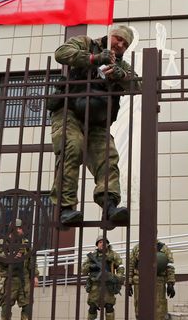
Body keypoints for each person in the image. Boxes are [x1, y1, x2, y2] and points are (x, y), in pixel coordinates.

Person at [48, 26, 140, 226]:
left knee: (108, 157)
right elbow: (61, 53)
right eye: (118, 39)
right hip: (69, 111)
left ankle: (109, 206)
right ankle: (65, 208)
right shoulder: (86, 43)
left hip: (98, 122)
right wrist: (93, 59)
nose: (120, 45)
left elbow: (139, 86)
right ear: (110, 35)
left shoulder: (122, 64)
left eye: (125, 44)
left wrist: (120, 75)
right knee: (72, 146)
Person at [0, 219, 39, 320]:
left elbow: (32, 261)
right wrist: (9, 256)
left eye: (19, 228)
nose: (18, 230)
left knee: (28, 306)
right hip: (7, 279)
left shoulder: (26, 244)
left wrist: (35, 276)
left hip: (24, 279)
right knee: (6, 307)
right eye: (15, 228)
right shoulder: (1, 242)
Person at [128, 240, 176, 319]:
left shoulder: (163, 248)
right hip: (140, 282)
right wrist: (128, 283)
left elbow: (169, 266)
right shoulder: (137, 248)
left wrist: (170, 283)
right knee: (140, 308)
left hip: (158, 281)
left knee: (160, 308)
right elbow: (131, 265)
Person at [82, 236, 124, 320]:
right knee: (92, 308)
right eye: (100, 242)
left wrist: (116, 277)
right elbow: (83, 269)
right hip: (95, 285)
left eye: (104, 242)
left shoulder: (113, 255)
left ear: (108, 244)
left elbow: (120, 267)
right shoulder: (93, 256)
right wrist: (91, 267)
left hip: (108, 284)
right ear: (97, 245)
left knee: (109, 307)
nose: (102, 244)